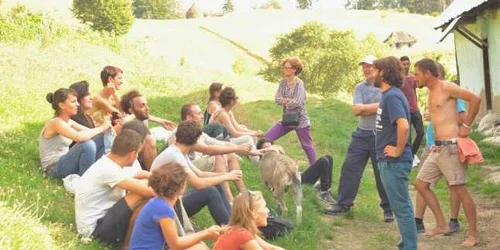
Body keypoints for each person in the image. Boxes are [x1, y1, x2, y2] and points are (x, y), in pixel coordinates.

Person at [413, 58, 481, 247]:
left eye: (416, 73)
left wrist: (466, 126)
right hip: (438, 148)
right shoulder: (430, 92)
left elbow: (475, 99)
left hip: (451, 148)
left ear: (427, 74)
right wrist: (433, 141)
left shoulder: (446, 87)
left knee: (459, 190)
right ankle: (442, 224)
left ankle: (473, 234)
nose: (414, 77)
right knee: (420, 184)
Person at [325, 55, 393, 221]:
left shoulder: (386, 87)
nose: (366, 69)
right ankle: (343, 204)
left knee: (381, 173)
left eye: (369, 66)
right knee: (350, 168)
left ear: (378, 69)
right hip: (362, 134)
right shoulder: (360, 87)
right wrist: (378, 107)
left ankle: (388, 209)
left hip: (381, 135)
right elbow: (356, 110)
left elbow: (388, 107)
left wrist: (367, 108)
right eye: (363, 67)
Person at [151, 120, 242, 225]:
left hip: (170, 199)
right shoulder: (175, 156)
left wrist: (227, 175)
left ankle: (234, 224)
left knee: (215, 185)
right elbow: (198, 184)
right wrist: (227, 177)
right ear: (196, 140)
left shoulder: (178, 151)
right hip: (165, 206)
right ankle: (230, 230)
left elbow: (200, 174)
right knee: (210, 191)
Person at [75, 129, 155, 248]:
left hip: (102, 221)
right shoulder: (109, 170)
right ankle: (128, 246)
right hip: (94, 231)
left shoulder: (110, 161)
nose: (137, 157)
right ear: (132, 154)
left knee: (144, 185)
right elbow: (149, 191)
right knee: (141, 194)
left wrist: (156, 176)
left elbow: (139, 173)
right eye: (138, 153)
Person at [374, 56, 417, 250]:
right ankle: (406, 243)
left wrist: (398, 149)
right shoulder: (390, 95)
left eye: (375, 69)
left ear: (383, 72)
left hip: (394, 161)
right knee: (400, 205)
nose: (371, 74)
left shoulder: (391, 96)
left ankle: (409, 246)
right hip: (389, 161)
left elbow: (404, 125)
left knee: (401, 207)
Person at [129, 162, 221, 250]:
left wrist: (204, 234)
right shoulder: (164, 209)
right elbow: (175, 245)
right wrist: (206, 233)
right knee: (199, 248)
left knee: (199, 245)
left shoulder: (158, 202)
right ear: (181, 186)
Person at [179, 103, 256, 202]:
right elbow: (207, 149)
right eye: (199, 113)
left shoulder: (198, 132)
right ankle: (230, 200)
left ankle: (244, 192)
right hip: (185, 169)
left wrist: (246, 150)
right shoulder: (183, 133)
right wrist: (237, 149)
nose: (202, 116)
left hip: (194, 166)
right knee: (218, 156)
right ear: (189, 117)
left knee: (230, 154)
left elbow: (219, 143)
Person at [39, 88, 110, 179]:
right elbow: (79, 137)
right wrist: (102, 127)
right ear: (62, 105)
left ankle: (99, 173)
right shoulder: (56, 123)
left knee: (100, 138)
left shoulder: (69, 122)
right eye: (73, 102)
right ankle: (86, 180)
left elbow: (91, 133)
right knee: (87, 144)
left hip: (66, 162)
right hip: (53, 168)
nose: (78, 104)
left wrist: (107, 127)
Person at [264, 57, 317, 164]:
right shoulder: (283, 83)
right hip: (287, 119)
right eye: (284, 67)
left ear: (294, 69)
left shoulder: (299, 84)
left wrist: (285, 101)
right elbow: (277, 99)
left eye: (288, 68)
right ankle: (268, 163)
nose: (285, 70)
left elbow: (298, 102)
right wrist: (287, 101)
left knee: (307, 146)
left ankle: (315, 170)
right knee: (267, 138)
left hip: (301, 120)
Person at [256, 138, 335, 204]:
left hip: (297, 176)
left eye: (271, 147)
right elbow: (273, 184)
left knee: (328, 158)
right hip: (295, 182)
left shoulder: (277, 158)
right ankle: (324, 193)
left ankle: (326, 189)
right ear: (261, 151)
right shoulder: (265, 166)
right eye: (266, 148)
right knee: (323, 161)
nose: (270, 150)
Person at [120, 90, 175, 170]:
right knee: (150, 141)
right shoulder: (130, 125)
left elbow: (145, 115)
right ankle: (154, 176)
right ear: (131, 111)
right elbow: (124, 122)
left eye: (146, 104)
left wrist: (160, 120)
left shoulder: (140, 117)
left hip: (148, 160)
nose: (147, 108)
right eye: (142, 106)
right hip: (136, 165)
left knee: (176, 136)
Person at [213, 191, 285, 250]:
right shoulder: (243, 235)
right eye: (264, 207)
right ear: (253, 213)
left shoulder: (243, 230)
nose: (268, 211)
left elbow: (270, 248)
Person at [69, 80, 119, 153]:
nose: (91, 98)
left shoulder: (87, 116)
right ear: (79, 98)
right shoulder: (74, 118)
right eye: (87, 95)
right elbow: (119, 114)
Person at [400, 56, 424, 167]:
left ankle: (412, 154)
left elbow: (420, 85)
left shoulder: (413, 78)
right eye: (404, 64)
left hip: (415, 109)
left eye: (407, 64)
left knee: (420, 132)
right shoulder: (398, 79)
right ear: (400, 65)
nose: (406, 66)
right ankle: (408, 159)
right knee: (407, 136)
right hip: (404, 111)